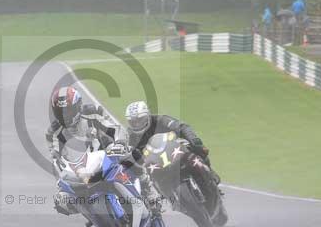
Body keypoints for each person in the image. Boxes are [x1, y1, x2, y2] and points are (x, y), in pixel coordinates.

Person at [46, 86, 122, 215]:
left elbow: (114, 128)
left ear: (78, 106)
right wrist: (61, 183)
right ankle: (92, 213)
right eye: (60, 112)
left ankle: (148, 195)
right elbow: (55, 158)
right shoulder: (53, 132)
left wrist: (119, 143)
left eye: (67, 111)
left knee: (133, 159)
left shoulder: (94, 112)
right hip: (79, 169)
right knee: (62, 201)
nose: (65, 116)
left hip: (106, 155)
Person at [123, 100, 223, 197]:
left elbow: (182, 127)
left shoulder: (161, 120)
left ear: (148, 115)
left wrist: (193, 139)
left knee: (198, 148)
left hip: (174, 150)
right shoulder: (130, 135)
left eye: (140, 120)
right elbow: (129, 153)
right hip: (154, 163)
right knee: (137, 174)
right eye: (133, 122)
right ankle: (157, 198)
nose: (137, 124)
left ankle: (210, 175)